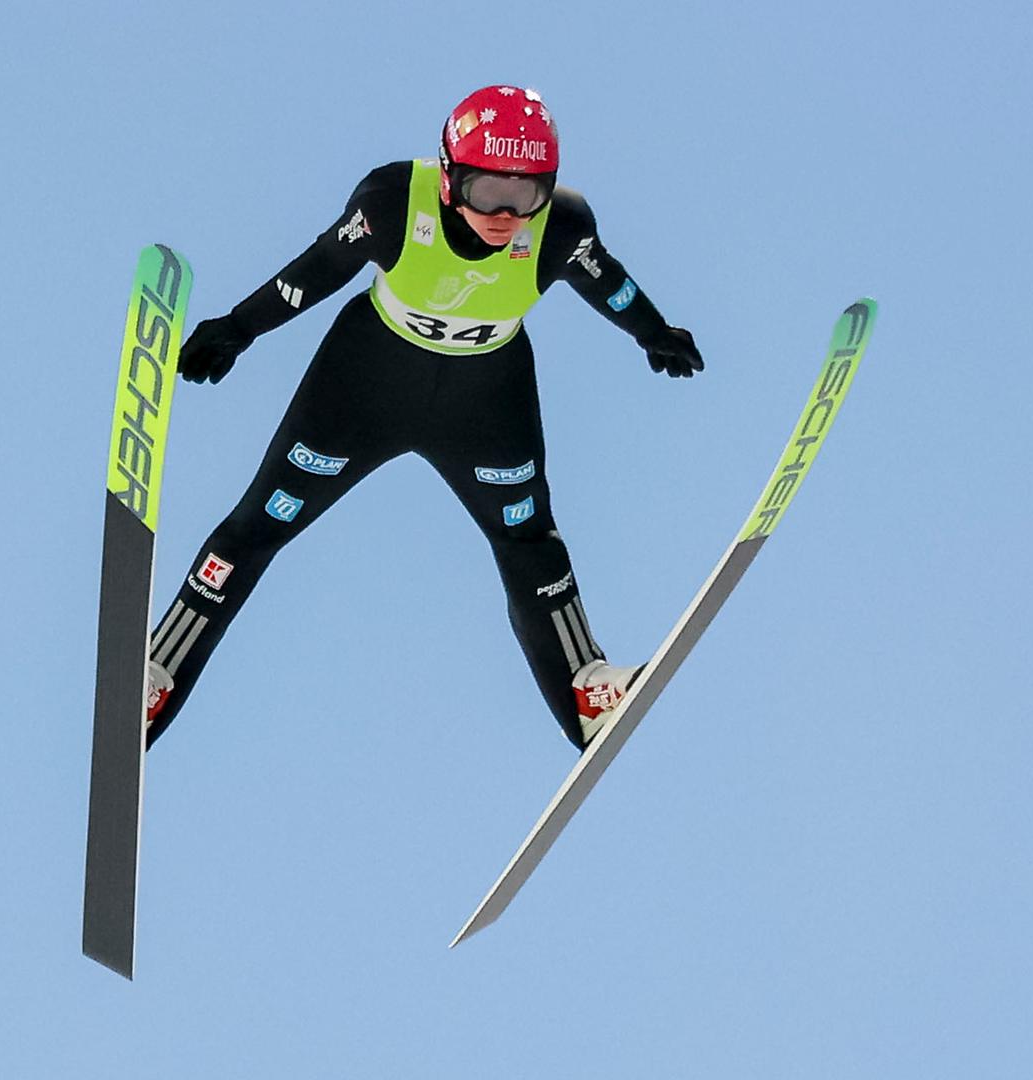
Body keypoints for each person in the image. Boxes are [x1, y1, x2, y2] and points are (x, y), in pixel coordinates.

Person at [143, 84, 704, 752]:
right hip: (363, 385)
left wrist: (652, 331)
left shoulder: (561, 228)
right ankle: (156, 673)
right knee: (261, 523)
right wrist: (238, 328)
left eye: (526, 196)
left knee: (528, 538)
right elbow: (320, 267)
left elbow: (607, 280)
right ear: (448, 177)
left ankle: (587, 689)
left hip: (484, 400)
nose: (504, 215)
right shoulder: (390, 202)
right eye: (486, 190)